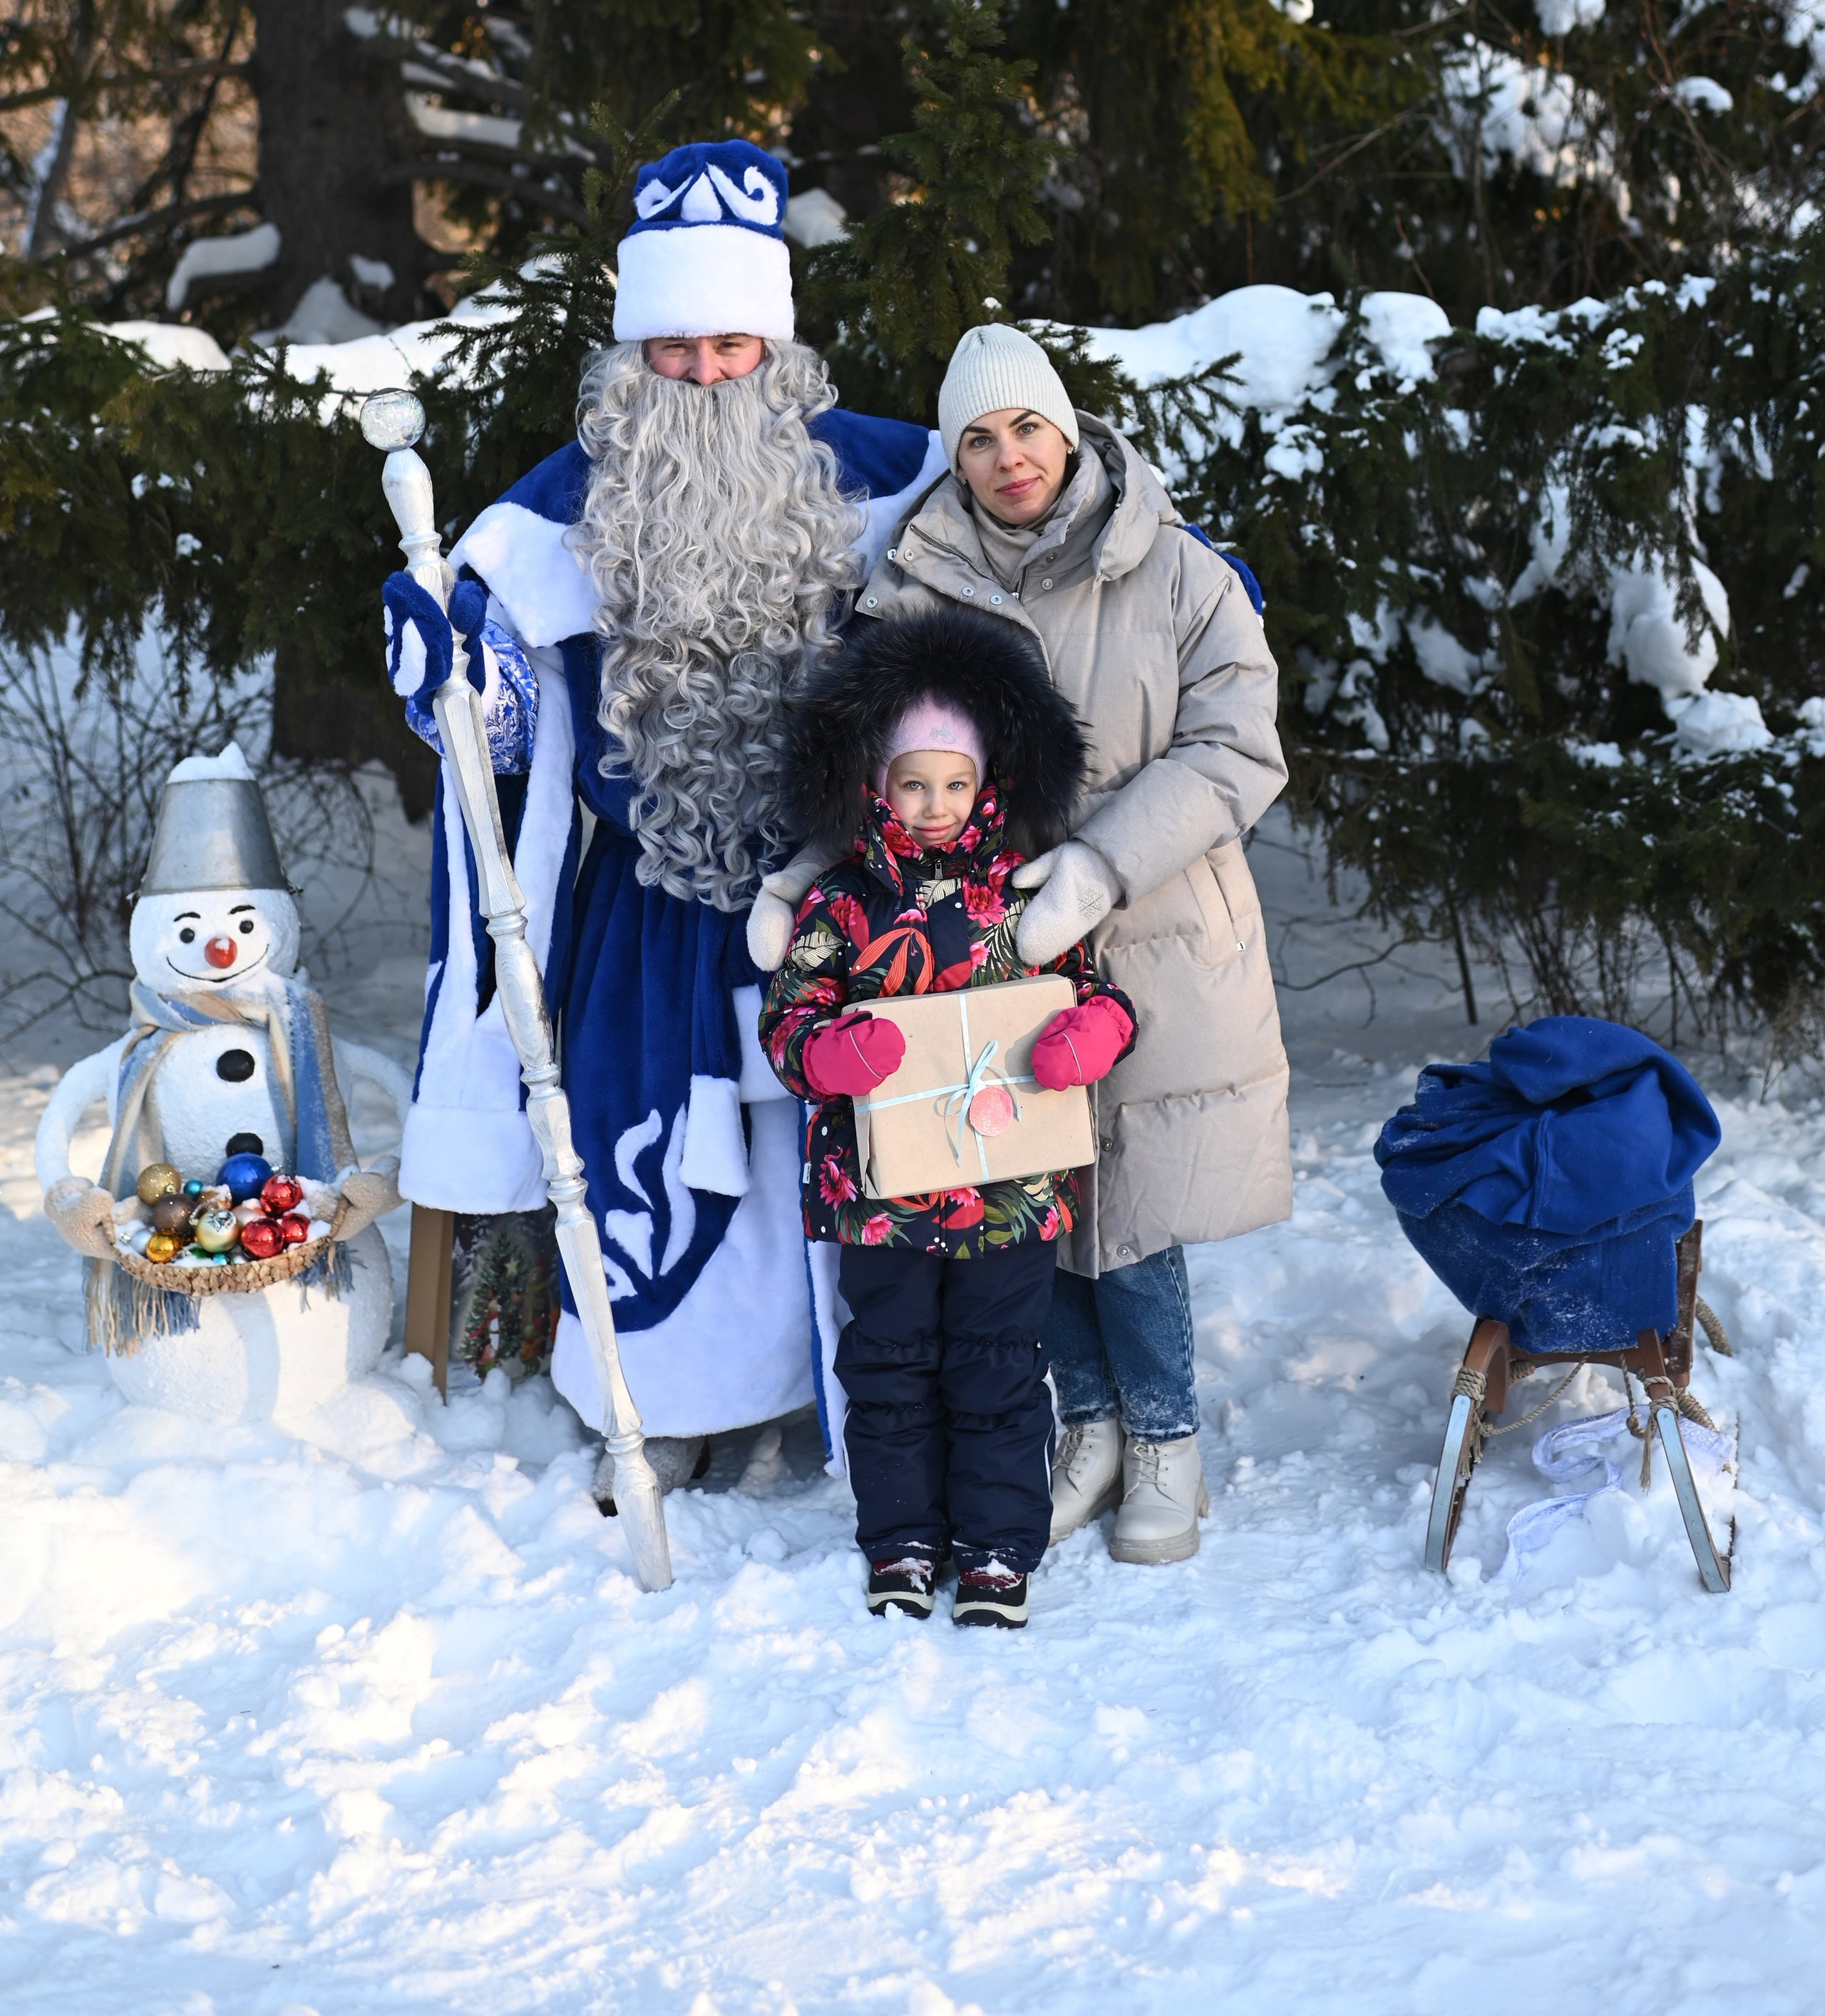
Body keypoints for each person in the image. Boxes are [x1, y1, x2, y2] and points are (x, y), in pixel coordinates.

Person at [380, 140, 947, 1492]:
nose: (701, 375)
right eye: (675, 348)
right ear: (634, 356)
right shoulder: (550, 518)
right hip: (653, 912)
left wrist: (1180, 596)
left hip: (850, 903)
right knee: (671, 1172)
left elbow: (1038, 555)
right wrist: (446, 672)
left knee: (850, 1154)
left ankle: (871, 1404)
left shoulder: (890, 478)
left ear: (777, 350)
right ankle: (680, 1403)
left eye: (730, 346)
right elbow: (502, 738)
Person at [838, 320, 1291, 1565]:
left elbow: (1238, 747)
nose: (1010, 459)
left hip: (1156, 926)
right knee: (1039, 1194)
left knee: (1134, 1209)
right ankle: (1085, 1427)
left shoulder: (1178, 571)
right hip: (994, 950)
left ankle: (1166, 1439)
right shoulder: (912, 587)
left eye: (1027, 427)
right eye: (979, 440)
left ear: (1069, 427)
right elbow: (868, 762)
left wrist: (1099, 861)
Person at [757, 607, 1136, 1625]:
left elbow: (1092, 991)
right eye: (913, 784)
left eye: (954, 784)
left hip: (1006, 1190)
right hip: (879, 1197)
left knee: (999, 1366)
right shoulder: (841, 904)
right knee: (889, 1364)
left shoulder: (1019, 897)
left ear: (986, 784)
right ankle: (902, 1538)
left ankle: (999, 1548)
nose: (933, 807)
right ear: (875, 783)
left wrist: (1090, 1035)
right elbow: (789, 1019)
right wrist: (828, 1053)